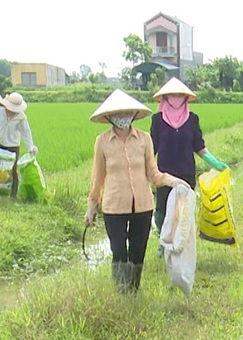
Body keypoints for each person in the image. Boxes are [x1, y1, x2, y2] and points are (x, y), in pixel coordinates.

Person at [85, 89, 189, 293]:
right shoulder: (102, 141)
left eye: (127, 113)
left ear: (133, 115)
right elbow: (97, 177)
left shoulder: (144, 139)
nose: (123, 117)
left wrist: (175, 181)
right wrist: (91, 207)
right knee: (118, 252)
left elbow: (154, 174)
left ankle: (133, 291)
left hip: (142, 206)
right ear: (109, 117)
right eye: (118, 114)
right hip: (114, 207)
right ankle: (121, 292)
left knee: (137, 252)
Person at [149, 78, 227, 236]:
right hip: (164, 175)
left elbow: (199, 147)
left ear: (185, 98)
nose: (176, 98)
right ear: (165, 98)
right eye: (172, 95)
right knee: (162, 211)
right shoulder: (157, 120)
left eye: (179, 95)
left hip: (186, 172)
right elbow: (152, 148)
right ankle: (163, 241)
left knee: (184, 212)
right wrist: (142, 168)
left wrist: (217, 164)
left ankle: (181, 242)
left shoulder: (192, 119)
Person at [0, 92, 38, 201]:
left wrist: (30, 147)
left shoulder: (21, 116)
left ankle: (13, 195)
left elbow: (26, 132)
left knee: (13, 171)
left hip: (13, 147)